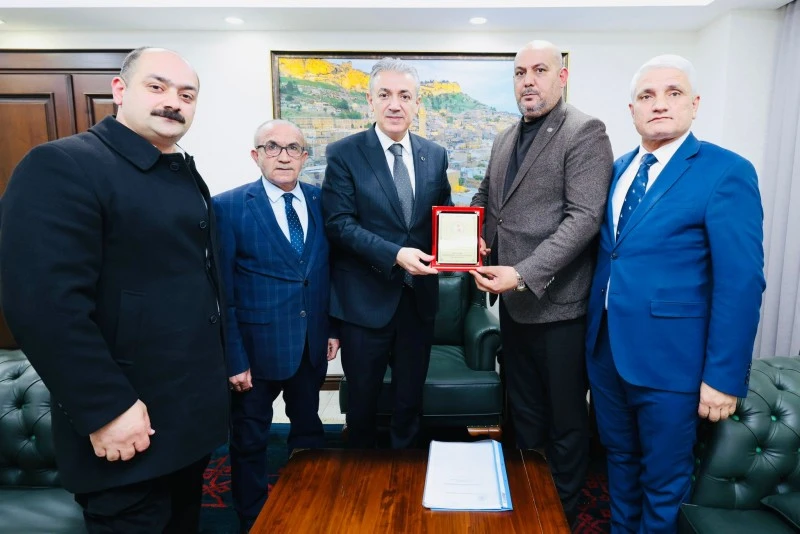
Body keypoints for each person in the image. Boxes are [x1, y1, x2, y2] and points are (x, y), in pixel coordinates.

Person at [0, 47, 228, 532]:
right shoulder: (62, 164)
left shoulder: (179, 171)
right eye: (157, 86)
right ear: (120, 90)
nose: (173, 102)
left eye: (187, 94)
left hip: (185, 422)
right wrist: (106, 409)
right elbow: (43, 306)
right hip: (126, 421)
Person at [585, 54, 765, 533]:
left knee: (665, 481)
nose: (659, 104)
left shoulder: (726, 171)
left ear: (694, 104)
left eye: (673, 93)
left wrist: (724, 376)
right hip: (606, 352)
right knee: (618, 463)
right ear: (632, 110)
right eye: (647, 96)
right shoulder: (618, 169)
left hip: (674, 362)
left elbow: (741, 282)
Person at [469, 40, 614, 525]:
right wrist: (473, 236)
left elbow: (583, 218)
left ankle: (563, 515)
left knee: (566, 422)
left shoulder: (585, 131)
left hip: (560, 308)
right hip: (514, 307)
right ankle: (532, 504)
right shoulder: (504, 137)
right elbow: (487, 199)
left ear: (561, 76)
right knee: (524, 415)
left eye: (539, 70)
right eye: (519, 72)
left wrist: (523, 273)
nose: (528, 80)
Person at [212, 119, 339, 533]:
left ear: (305, 157)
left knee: (309, 432)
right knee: (250, 439)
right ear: (256, 155)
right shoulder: (228, 207)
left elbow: (329, 271)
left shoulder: (321, 201)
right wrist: (234, 358)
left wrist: (332, 328)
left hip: (310, 344)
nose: (283, 156)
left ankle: (308, 506)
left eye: (293, 148)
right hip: (255, 350)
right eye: (272, 147)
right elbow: (223, 292)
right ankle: (253, 517)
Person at [322, 57, 452, 449]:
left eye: (405, 96)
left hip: (418, 300)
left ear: (417, 103)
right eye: (385, 95)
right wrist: (396, 253)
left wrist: (464, 244)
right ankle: (361, 471)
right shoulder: (344, 153)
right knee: (362, 401)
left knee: (410, 399)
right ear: (371, 101)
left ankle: (406, 468)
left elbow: (443, 216)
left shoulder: (435, 154)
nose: (395, 104)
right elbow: (339, 224)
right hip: (364, 302)